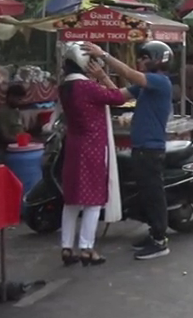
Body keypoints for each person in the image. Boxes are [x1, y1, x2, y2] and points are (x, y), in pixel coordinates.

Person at [87, 39, 174, 261]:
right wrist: (101, 77)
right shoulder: (145, 86)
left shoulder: (159, 82)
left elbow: (127, 72)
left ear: (156, 60)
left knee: (154, 196)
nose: (139, 61)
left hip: (151, 149)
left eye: (144, 58)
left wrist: (103, 55)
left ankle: (160, 241)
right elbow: (118, 96)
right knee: (145, 194)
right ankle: (154, 233)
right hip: (141, 148)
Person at [56, 44, 130, 267]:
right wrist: (104, 76)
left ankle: (67, 247)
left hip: (73, 145)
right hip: (93, 147)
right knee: (93, 200)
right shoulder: (86, 87)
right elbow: (118, 98)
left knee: (71, 200)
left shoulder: (65, 87)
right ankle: (87, 248)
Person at [0, 82, 27, 162]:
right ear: (10, 97)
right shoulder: (2, 112)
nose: (20, 102)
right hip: (5, 153)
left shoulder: (16, 111)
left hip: (18, 151)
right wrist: (22, 140)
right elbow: (4, 137)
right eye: (18, 99)